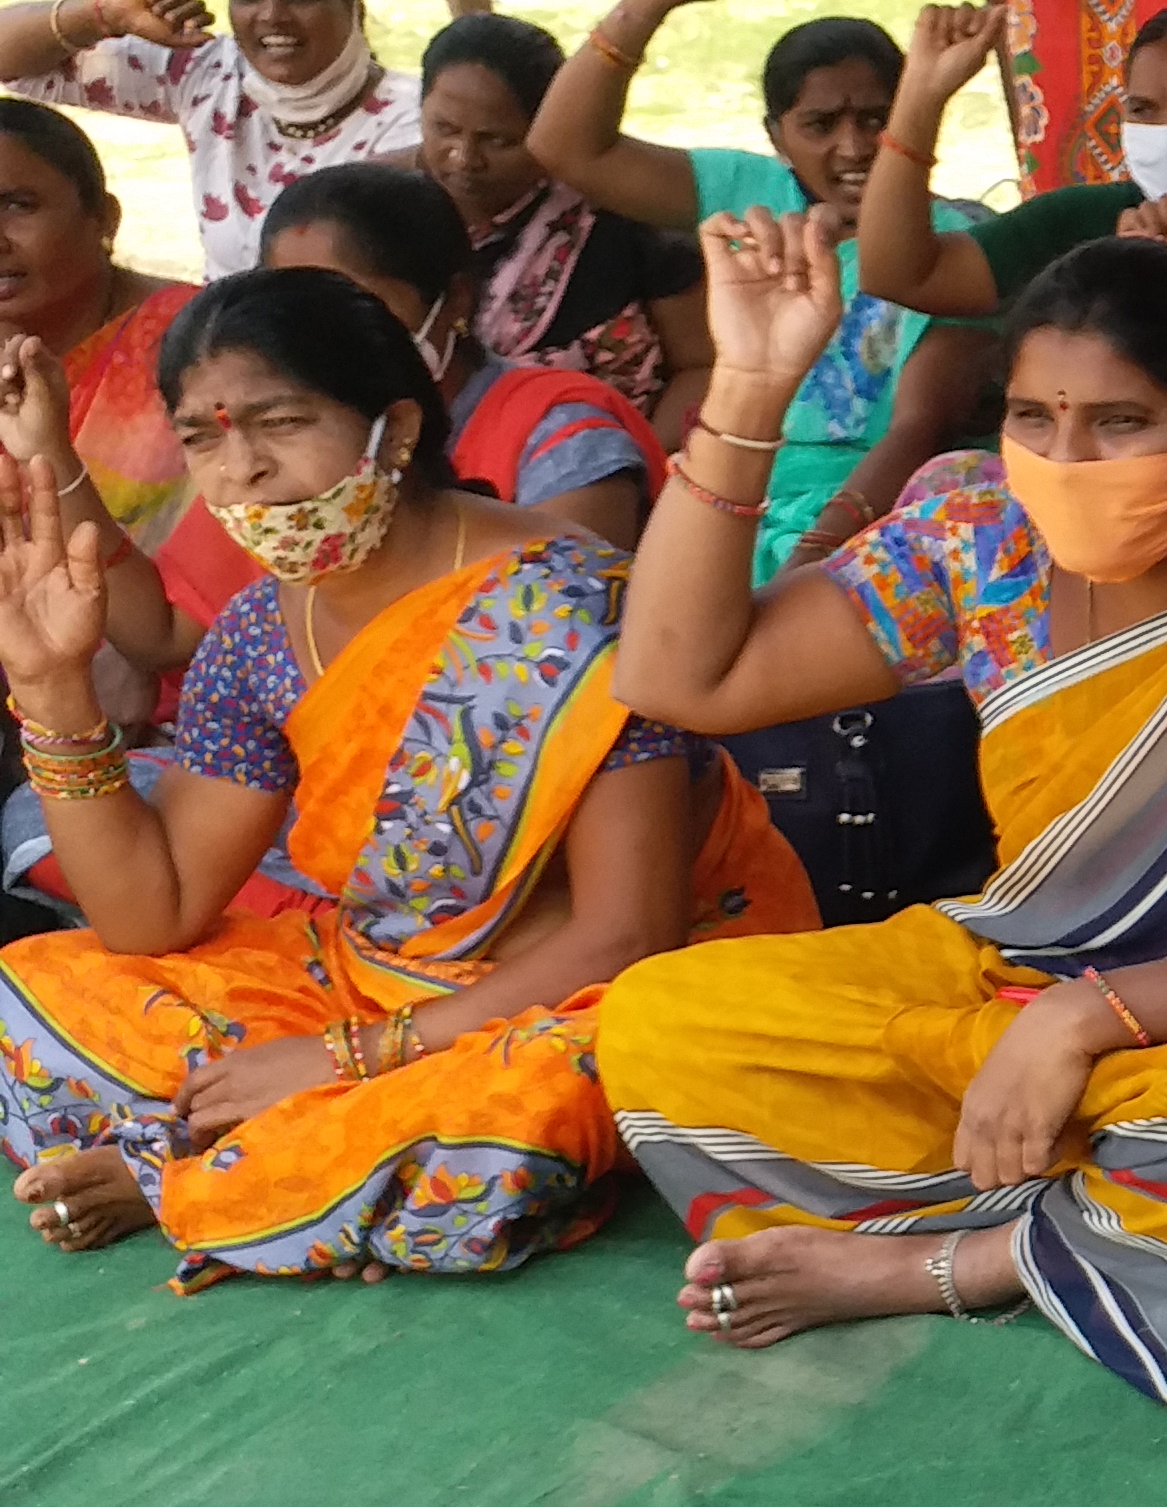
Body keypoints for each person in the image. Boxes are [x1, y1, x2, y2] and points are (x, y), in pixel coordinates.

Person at [589, 221, 1167, 1408]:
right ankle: (1101, 1210)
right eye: (1035, 418)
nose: (1069, 458)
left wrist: (1089, 1020)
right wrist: (755, 388)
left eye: (1121, 424)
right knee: (667, 1018)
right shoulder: (982, 541)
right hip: (1015, 983)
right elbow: (677, 678)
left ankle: (944, 1260)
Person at [0, 266, 808, 1279]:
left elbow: (627, 934)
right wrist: (54, 692)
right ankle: (298, 1167)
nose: (240, 471)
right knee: (38, 986)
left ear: (398, 429)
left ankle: (209, 1167)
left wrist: (339, 1062)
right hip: (378, 981)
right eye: (202, 437)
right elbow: (151, 915)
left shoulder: (575, 606)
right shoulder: (261, 634)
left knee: (525, 1107)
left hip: (588, 997)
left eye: (279, 422)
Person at [525, 0, 1002, 575]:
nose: (855, 147)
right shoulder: (751, 192)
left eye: (875, 118)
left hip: (869, 520)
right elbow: (565, 146)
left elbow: (917, 429)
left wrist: (811, 559)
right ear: (776, 136)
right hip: (736, 495)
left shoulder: (953, 245)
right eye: (819, 125)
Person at [846, 0, 1167, 334]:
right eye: (1143, 111)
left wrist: (1162, 286)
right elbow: (900, 275)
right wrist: (921, 97)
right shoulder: (1088, 220)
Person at [257, 163, 663, 546]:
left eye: (353, 309)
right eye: (292, 313)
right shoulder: (259, 443)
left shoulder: (559, 436)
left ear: (454, 300)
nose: (317, 340)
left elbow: (558, 605)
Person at [1, 0, 420, 276]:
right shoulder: (209, 74)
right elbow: (11, 64)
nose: (272, 16)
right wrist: (107, 14)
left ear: (355, 9)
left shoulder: (418, 120)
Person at [0, 99, 243, 654]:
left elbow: (178, 635)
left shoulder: (205, 350)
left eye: (18, 204)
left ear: (105, 218)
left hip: (169, 696)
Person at [413, 14, 711, 427]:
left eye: (497, 140)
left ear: (548, 130)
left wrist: (640, 465)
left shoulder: (626, 216)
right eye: (443, 129)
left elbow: (700, 368)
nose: (464, 158)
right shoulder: (374, 211)